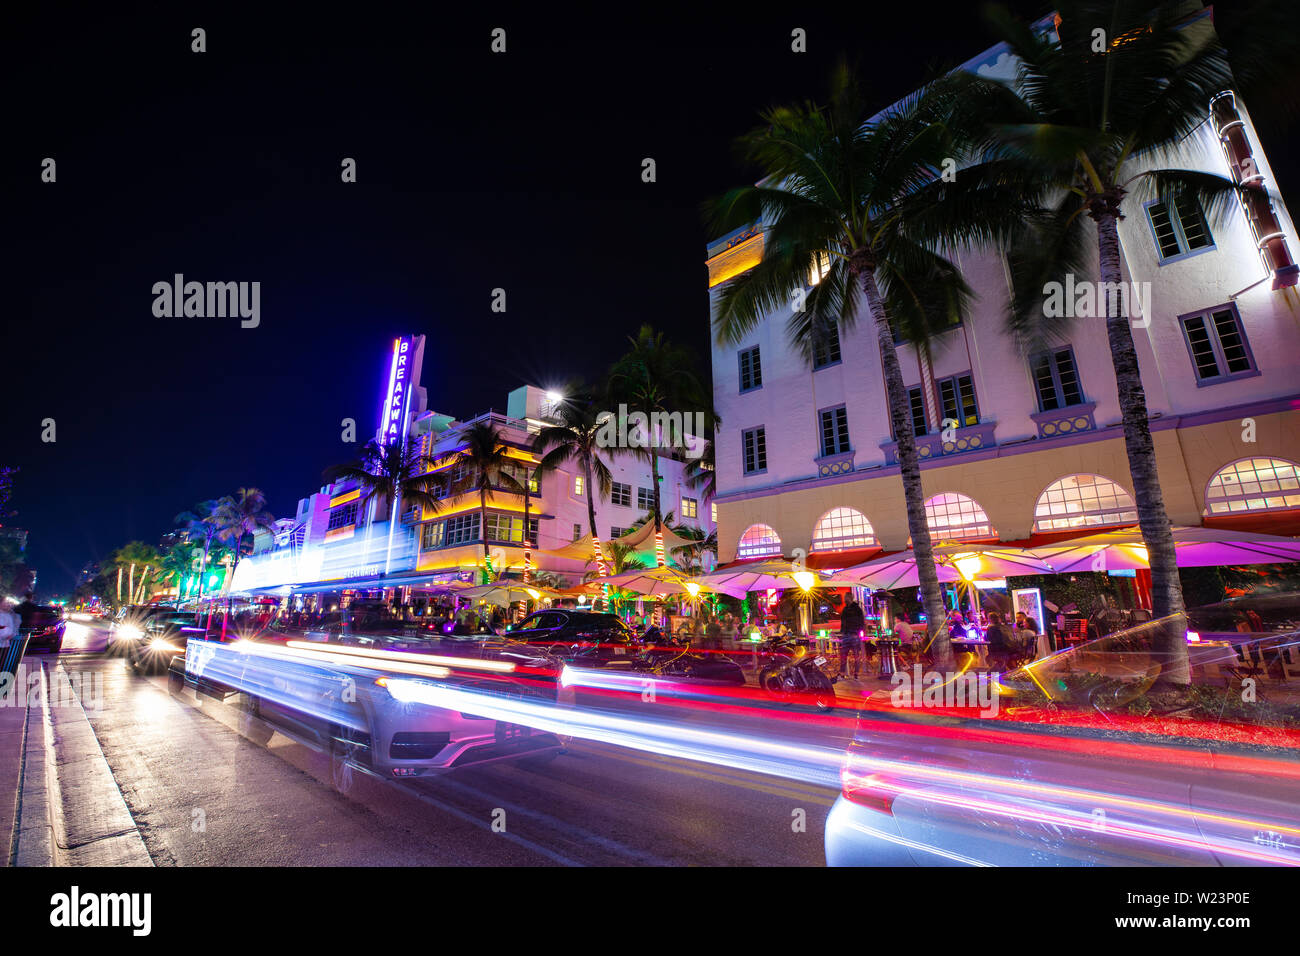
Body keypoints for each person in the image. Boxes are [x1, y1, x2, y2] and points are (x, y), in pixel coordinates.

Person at [839, 598, 866, 680]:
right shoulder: (858, 609)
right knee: (856, 655)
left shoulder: (845, 609)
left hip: (848, 634)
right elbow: (862, 622)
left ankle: (842, 674)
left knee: (844, 655)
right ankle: (856, 674)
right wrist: (861, 632)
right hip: (855, 635)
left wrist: (843, 632)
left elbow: (843, 622)